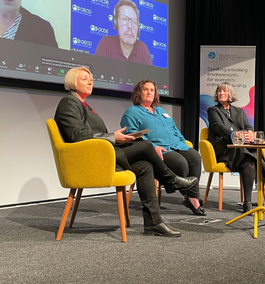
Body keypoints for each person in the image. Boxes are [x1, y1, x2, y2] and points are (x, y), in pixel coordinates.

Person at [54, 67, 198, 237]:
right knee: (146, 146)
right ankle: (171, 180)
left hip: (101, 153)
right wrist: (113, 137)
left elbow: (90, 134)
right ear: (72, 81)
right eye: (85, 79)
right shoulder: (69, 102)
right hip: (89, 160)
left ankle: (154, 223)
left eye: (91, 79)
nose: (90, 81)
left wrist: (118, 138)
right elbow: (76, 135)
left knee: (144, 166)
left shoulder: (84, 105)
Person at [120, 79, 205, 216]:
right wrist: (153, 147)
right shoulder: (132, 112)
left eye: (152, 90)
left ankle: (192, 197)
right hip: (159, 149)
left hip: (176, 144)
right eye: (146, 89)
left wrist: (183, 142)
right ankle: (187, 194)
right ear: (138, 92)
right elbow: (132, 134)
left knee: (195, 157)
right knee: (180, 163)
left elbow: (174, 129)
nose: (149, 92)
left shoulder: (160, 111)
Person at [207, 82, 265, 213]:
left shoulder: (239, 111)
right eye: (219, 91)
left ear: (230, 94)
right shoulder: (213, 110)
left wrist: (250, 133)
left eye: (224, 91)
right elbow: (219, 127)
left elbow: (248, 127)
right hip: (224, 148)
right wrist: (235, 135)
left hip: (240, 150)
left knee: (249, 162)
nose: (221, 93)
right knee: (244, 149)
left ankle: (247, 202)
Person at [95, 0, 153, 65]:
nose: (130, 26)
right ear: (116, 23)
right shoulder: (106, 44)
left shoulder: (143, 49)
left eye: (134, 22)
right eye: (124, 19)